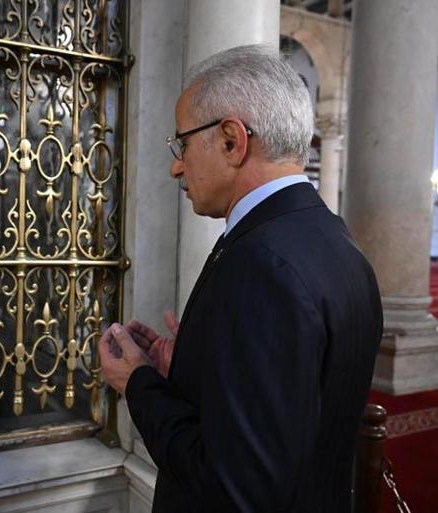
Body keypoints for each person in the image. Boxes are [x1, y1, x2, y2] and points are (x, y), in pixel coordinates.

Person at [97, 44, 383, 513]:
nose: (175, 166)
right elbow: (294, 408)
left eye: (181, 144)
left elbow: (235, 487)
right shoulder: (331, 238)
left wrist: (138, 384)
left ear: (232, 140)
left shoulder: (263, 264)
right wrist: (191, 374)